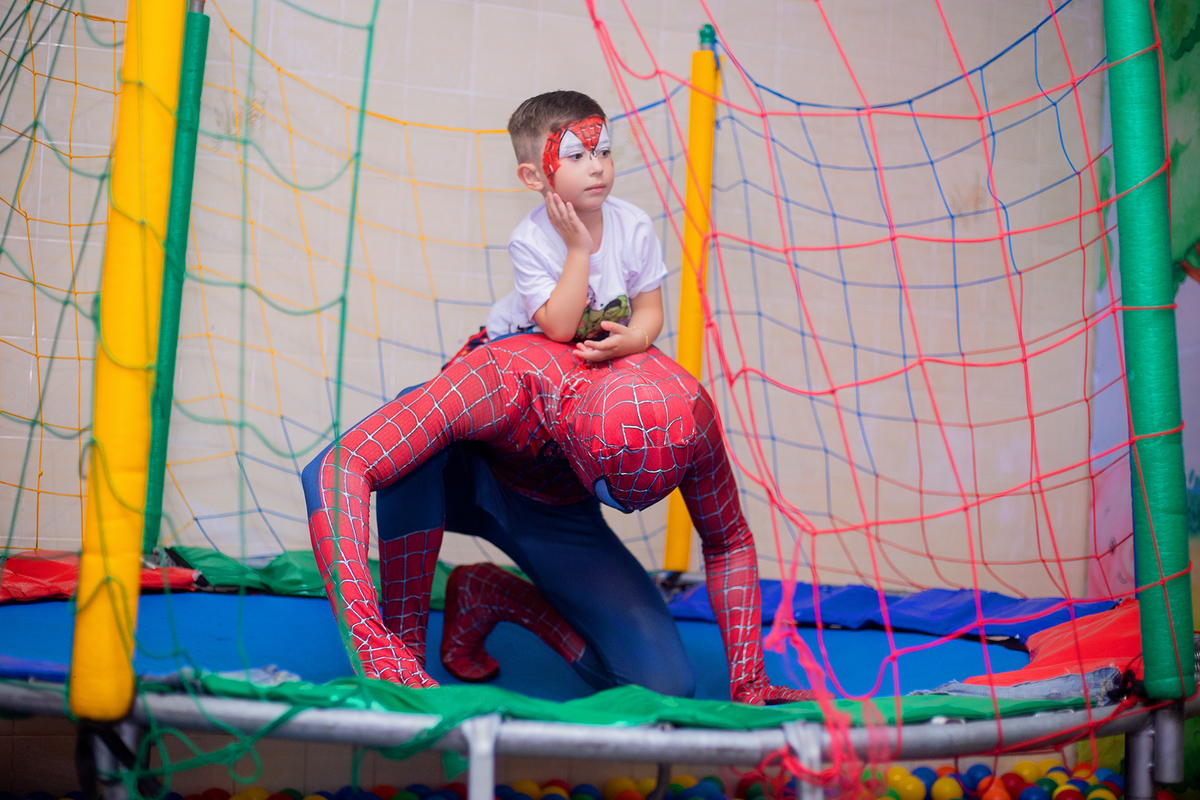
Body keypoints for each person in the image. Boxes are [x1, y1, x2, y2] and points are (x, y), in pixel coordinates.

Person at [301, 335, 812, 705]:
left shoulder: (691, 418)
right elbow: (339, 464)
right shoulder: (505, 376)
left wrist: (749, 681)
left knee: (664, 688)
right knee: (409, 461)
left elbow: (727, 541)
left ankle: (490, 594)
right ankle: (402, 650)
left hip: (553, 514)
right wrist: (371, 639)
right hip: (453, 483)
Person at [484, 90, 665, 364]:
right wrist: (579, 250)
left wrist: (636, 338)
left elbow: (650, 309)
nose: (596, 167)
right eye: (576, 156)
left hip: (592, 347)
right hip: (519, 343)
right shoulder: (528, 240)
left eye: (603, 152)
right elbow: (560, 329)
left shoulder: (635, 226)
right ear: (533, 176)